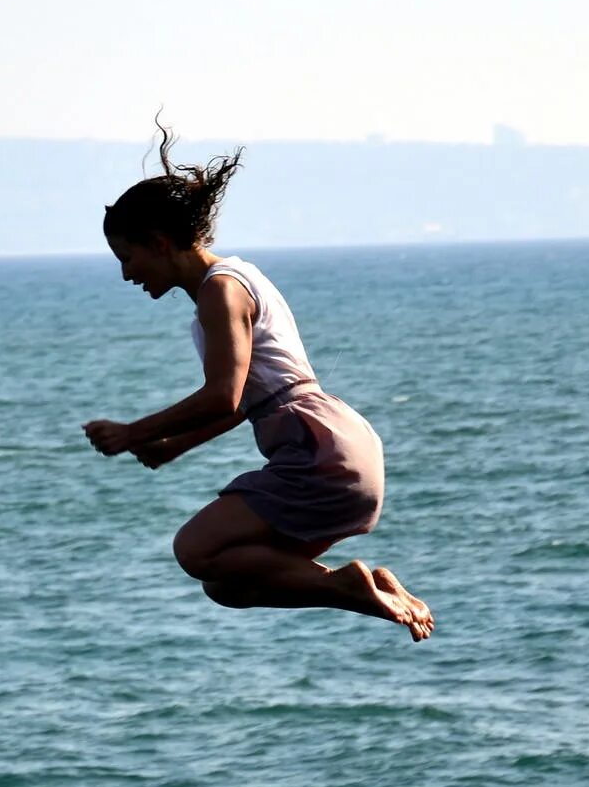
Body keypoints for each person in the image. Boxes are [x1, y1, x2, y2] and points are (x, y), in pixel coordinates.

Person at [83, 125, 433, 641]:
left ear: (159, 243)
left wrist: (133, 432)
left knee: (193, 549)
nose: (127, 275)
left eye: (128, 258)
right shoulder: (232, 282)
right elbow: (243, 401)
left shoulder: (221, 292)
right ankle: (365, 588)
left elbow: (223, 395)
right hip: (345, 449)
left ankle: (350, 587)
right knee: (227, 583)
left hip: (320, 453)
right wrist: (173, 446)